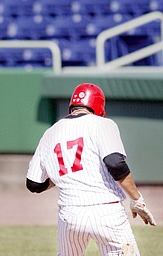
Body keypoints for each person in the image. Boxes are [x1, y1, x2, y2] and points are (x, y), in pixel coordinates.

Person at [26, 83, 156, 256]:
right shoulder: (102, 124)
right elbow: (115, 163)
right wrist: (137, 199)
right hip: (106, 212)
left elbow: (34, 184)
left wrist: (68, 176)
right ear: (98, 106)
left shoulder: (50, 133)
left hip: (69, 215)